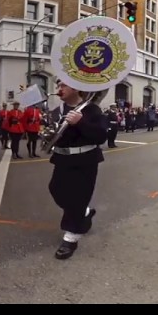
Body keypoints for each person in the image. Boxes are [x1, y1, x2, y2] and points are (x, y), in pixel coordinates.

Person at [48, 79, 107, 260]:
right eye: (59, 86)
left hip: (84, 159)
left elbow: (101, 135)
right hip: (62, 158)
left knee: (78, 196)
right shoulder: (58, 111)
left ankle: (71, 237)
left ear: (75, 88)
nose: (60, 89)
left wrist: (81, 122)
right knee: (56, 190)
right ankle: (84, 212)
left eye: (63, 86)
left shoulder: (91, 110)